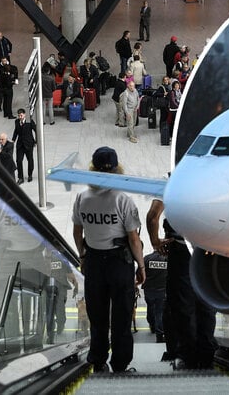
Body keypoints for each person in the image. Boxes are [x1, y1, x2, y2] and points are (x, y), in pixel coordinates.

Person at [71, 147, 145, 373]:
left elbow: (77, 232)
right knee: (122, 317)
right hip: (119, 263)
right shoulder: (123, 200)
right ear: (116, 168)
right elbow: (133, 238)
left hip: (94, 261)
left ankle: (98, 359)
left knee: (97, 315)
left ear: (92, 168)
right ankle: (120, 364)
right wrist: (141, 266)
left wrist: (83, 255)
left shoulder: (82, 197)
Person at [147, 199, 217, 370]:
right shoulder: (215, 182)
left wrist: (155, 242)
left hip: (181, 252)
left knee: (183, 306)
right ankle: (207, 356)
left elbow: (152, 218)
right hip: (209, 252)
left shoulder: (172, 183)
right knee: (207, 303)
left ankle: (188, 357)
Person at [143, 248, 168, 342]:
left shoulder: (147, 258)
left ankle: (152, 325)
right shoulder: (166, 259)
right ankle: (159, 334)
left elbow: (140, 273)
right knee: (159, 311)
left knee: (150, 306)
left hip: (148, 289)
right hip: (162, 289)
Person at [12, 109, 37, 184]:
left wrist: (36, 141)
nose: (20, 117)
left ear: (24, 115)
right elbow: (16, 131)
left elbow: (36, 130)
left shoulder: (30, 122)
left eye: (21, 115)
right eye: (19, 115)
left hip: (28, 144)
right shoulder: (17, 122)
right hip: (20, 144)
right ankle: (20, 177)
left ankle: (30, 175)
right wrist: (13, 140)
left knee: (30, 160)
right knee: (19, 160)